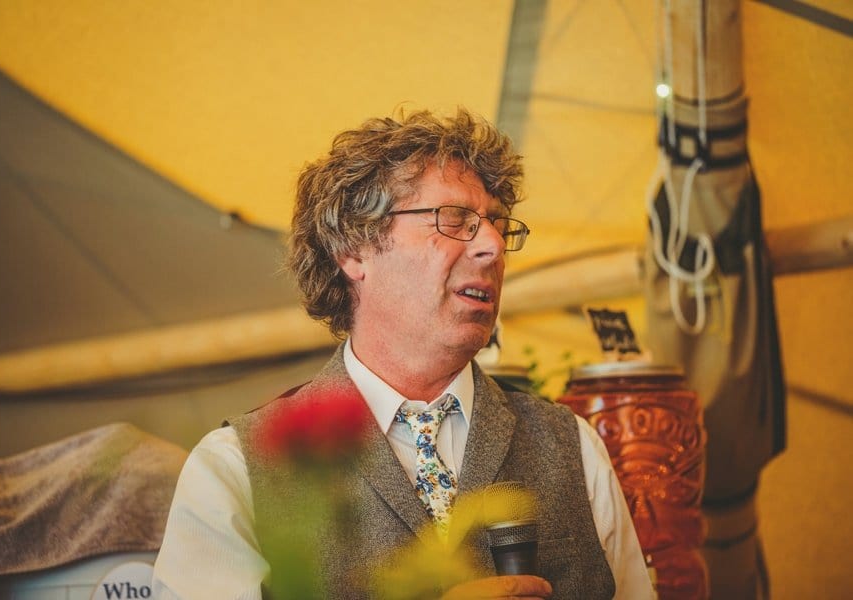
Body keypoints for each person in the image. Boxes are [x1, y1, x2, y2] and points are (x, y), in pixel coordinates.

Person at [152, 109, 654, 599]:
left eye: (499, 224)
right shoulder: (234, 469)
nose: (494, 247)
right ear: (353, 249)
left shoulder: (574, 447)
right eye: (455, 219)